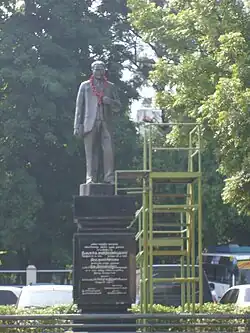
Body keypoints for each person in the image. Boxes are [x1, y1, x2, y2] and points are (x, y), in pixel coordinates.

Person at [74, 61, 121, 184]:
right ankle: (90, 178)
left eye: (101, 69)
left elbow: (118, 106)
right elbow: (79, 107)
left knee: (109, 150)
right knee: (90, 152)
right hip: (89, 122)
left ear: (105, 70)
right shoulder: (85, 86)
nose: (99, 72)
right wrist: (77, 126)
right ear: (92, 70)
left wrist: (109, 101)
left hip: (106, 122)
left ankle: (109, 177)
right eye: (97, 69)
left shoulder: (110, 86)